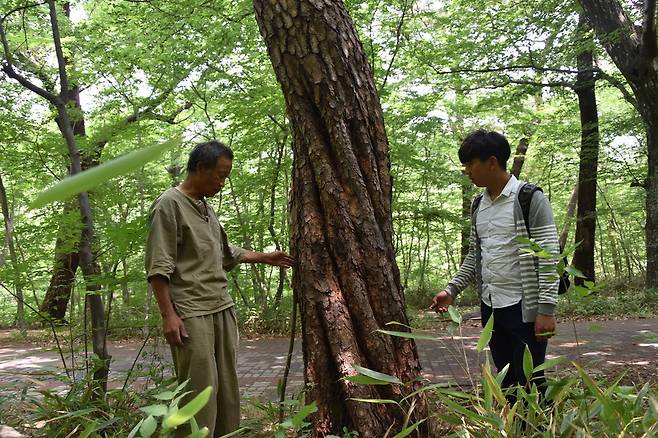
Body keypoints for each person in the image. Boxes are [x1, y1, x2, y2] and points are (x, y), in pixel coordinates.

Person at [145, 140, 294, 437]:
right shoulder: (169, 205)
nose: (223, 183)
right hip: (191, 313)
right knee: (198, 393)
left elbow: (225, 252)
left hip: (221, 308)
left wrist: (265, 257)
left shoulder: (205, 207)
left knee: (226, 390)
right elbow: (158, 267)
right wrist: (168, 315)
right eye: (220, 175)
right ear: (200, 168)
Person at [430, 130, 559, 395]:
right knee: (506, 382)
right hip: (491, 307)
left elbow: (548, 256)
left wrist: (546, 310)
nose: (467, 171)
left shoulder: (529, 198)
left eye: (470, 164)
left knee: (531, 381)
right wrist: (451, 289)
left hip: (525, 308)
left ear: (491, 162)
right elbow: (475, 256)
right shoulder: (478, 205)